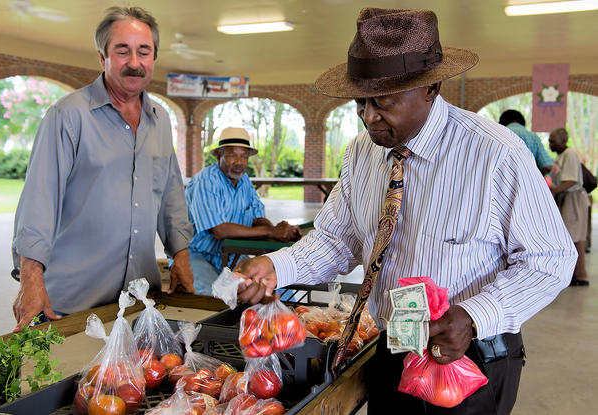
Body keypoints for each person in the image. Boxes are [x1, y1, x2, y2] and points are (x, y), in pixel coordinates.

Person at [235, 8, 576, 414]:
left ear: (431, 87)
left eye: (382, 102)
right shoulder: (362, 152)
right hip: (393, 349)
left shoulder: (495, 154)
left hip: (470, 361)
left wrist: (473, 316)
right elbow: (337, 238)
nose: (367, 117)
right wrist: (279, 267)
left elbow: (549, 259)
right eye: (360, 102)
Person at [10, 6, 195, 331]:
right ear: (102, 57)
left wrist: (180, 254)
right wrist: (30, 277)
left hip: (140, 300)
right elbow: (39, 201)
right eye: (122, 51)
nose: (134, 63)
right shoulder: (68, 116)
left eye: (144, 52)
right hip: (72, 304)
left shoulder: (160, 119)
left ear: (154, 57)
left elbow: (170, 194)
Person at [185, 127, 301, 295]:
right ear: (219, 155)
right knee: (214, 299)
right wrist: (271, 232)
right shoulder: (206, 180)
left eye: (244, 156)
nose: (239, 162)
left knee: (272, 290)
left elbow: (258, 216)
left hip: (233, 255)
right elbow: (220, 230)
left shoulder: (244, 180)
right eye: (232, 155)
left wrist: (278, 232)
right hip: (199, 255)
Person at [549, 127, 590, 286]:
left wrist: (554, 191)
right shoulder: (561, 156)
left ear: (563, 141)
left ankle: (581, 276)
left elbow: (571, 180)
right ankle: (574, 274)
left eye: (553, 141)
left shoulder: (570, 154)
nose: (550, 144)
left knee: (575, 238)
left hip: (573, 199)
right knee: (569, 237)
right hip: (566, 198)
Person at [499, 109, 556, 175]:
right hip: (530, 182)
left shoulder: (499, 135)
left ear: (502, 123)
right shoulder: (533, 137)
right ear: (522, 122)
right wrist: (534, 177)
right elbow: (547, 166)